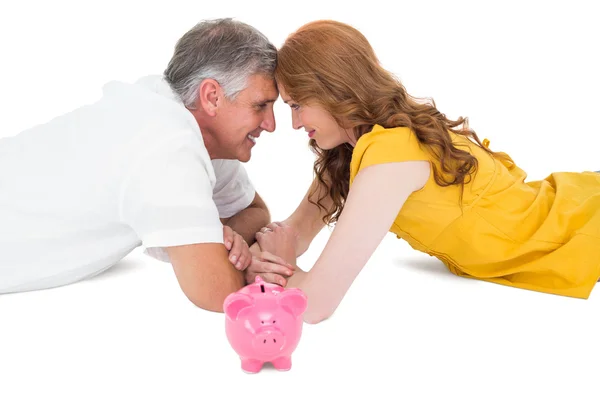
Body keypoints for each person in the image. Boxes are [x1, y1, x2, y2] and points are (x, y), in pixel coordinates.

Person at [243, 20, 600, 324]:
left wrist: (278, 264)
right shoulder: (354, 150)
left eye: (297, 105)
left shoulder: (389, 159)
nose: (293, 123)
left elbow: (315, 304)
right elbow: (295, 230)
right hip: (564, 212)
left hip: (575, 231)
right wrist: (247, 248)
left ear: (333, 89)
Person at [0, 18, 294, 312]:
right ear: (212, 97)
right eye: (260, 106)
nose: (271, 125)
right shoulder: (167, 147)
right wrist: (238, 261)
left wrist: (218, 237)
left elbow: (255, 212)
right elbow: (218, 292)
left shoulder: (192, 127)